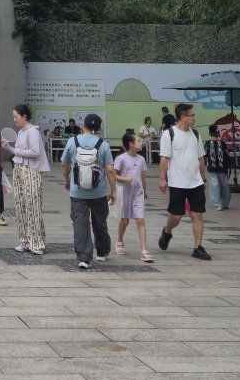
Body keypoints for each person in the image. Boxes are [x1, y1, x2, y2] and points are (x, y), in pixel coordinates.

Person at [158, 103, 210, 260]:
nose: (194, 118)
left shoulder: (195, 134)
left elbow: (201, 158)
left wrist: (203, 177)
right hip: (177, 182)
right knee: (176, 215)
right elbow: (164, 158)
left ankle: (198, 247)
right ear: (183, 117)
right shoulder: (169, 134)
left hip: (195, 182)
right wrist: (162, 179)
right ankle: (167, 231)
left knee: (198, 214)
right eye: (191, 115)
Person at [62, 113, 113, 270]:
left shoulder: (72, 142)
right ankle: (102, 252)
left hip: (77, 192)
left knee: (80, 222)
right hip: (99, 192)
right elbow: (110, 170)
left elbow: (64, 164)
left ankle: (84, 258)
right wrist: (114, 190)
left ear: (83, 125)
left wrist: (67, 179)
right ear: (98, 128)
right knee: (100, 222)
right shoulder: (103, 145)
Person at [4, 103, 49, 255]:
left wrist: (13, 149)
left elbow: (35, 152)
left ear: (24, 116)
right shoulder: (22, 131)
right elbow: (19, 151)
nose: (14, 119)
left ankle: (37, 243)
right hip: (19, 169)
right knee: (21, 205)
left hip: (31, 171)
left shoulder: (33, 131)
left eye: (16, 117)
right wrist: (10, 148)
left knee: (33, 206)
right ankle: (25, 241)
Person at [110, 129, 152, 262]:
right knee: (125, 220)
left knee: (140, 220)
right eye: (138, 141)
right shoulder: (121, 158)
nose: (141, 142)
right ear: (131, 144)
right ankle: (119, 242)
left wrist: (144, 191)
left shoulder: (141, 159)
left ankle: (144, 250)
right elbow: (114, 175)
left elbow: (143, 177)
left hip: (137, 193)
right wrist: (123, 179)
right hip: (124, 192)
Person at [204, 123, 232, 211]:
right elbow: (227, 155)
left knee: (214, 185)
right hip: (222, 167)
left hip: (211, 167)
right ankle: (225, 203)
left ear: (209, 133)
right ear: (218, 132)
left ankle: (218, 204)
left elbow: (205, 155)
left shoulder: (207, 143)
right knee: (224, 184)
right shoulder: (223, 143)